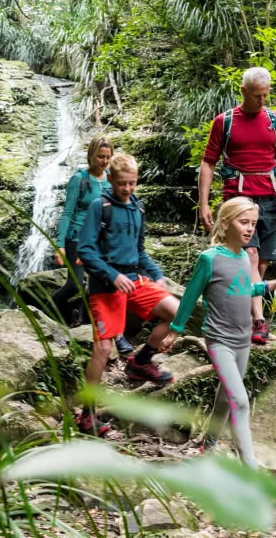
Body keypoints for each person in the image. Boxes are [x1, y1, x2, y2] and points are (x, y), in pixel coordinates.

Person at [162, 197, 276, 467]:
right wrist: (174, 330)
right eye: (243, 222)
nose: (249, 229)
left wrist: (273, 284)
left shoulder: (246, 259)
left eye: (253, 224)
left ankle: (208, 446)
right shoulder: (209, 258)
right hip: (218, 340)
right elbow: (189, 296)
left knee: (225, 398)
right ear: (225, 224)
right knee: (241, 402)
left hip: (242, 340)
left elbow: (244, 290)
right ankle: (252, 470)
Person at [75, 154, 179, 436]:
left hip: (135, 279)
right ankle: (87, 416)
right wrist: (112, 275)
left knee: (176, 312)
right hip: (106, 285)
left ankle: (140, 363)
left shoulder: (138, 209)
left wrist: (158, 275)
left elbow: (140, 250)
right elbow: (85, 251)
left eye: (133, 183)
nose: (128, 188)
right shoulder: (101, 206)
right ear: (110, 179)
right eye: (123, 183)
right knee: (104, 349)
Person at [197, 67, 276, 345]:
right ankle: (260, 322)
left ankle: (247, 313)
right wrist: (203, 203)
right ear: (243, 91)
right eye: (256, 96)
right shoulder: (225, 121)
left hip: (269, 198)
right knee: (249, 256)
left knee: (261, 262)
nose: (262, 101)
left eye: (265, 95)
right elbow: (208, 162)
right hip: (238, 199)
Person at [51, 136, 135, 355]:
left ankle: (105, 331)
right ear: (91, 155)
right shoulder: (79, 179)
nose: (104, 161)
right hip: (78, 242)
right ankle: (45, 313)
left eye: (108, 157)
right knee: (75, 284)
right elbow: (68, 212)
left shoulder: (111, 180)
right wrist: (60, 244)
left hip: (101, 243)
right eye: (100, 157)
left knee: (105, 286)